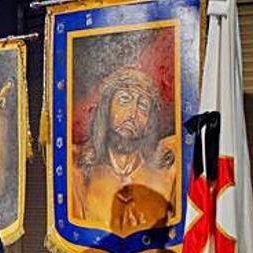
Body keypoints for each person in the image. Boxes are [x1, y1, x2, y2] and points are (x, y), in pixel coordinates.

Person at [70, 66, 178, 233]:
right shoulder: (76, 167)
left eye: (143, 106)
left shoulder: (168, 169)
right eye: (124, 99)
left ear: (149, 122)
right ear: (106, 108)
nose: (132, 114)